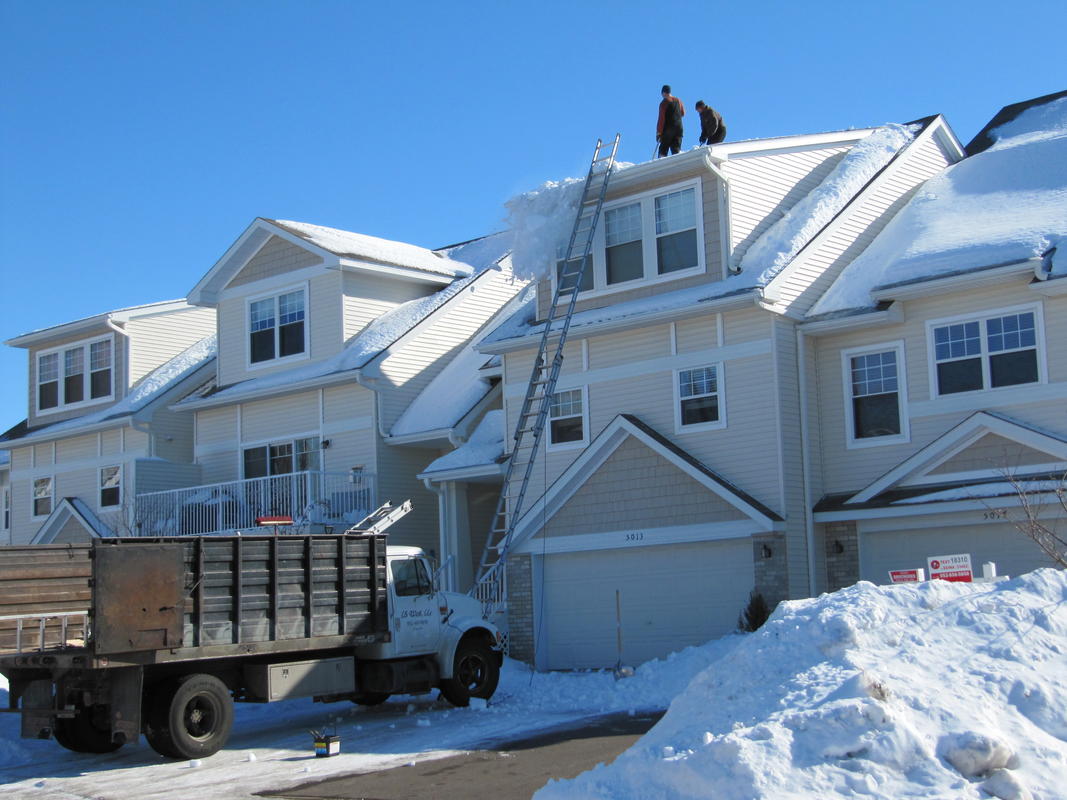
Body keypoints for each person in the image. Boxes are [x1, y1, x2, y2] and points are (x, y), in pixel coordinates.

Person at [656, 84, 685, 157]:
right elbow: (683, 113)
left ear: (663, 93)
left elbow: (661, 119)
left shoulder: (664, 103)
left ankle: (661, 166)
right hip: (679, 128)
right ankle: (677, 166)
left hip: (668, 129)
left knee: (663, 149)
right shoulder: (678, 100)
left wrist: (659, 133)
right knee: (676, 151)